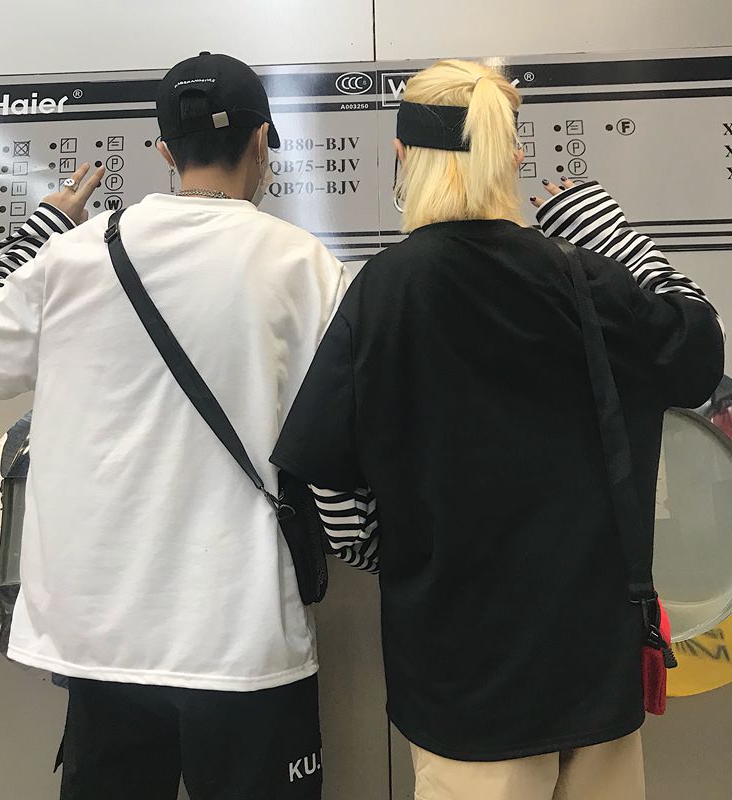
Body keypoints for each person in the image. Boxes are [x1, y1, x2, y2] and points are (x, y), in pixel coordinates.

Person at [271, 59, 725, 800]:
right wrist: (606, 234)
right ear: (511, 157)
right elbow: (699, 350)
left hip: (461, 680)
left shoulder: (386, 291)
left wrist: (406, 556)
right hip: (594, 668)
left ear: (402, 156)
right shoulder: (585, 281)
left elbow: (331, 486)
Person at [0, 53, 346, 800]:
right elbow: (343, 436)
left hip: (101, 639)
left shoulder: (73, 256)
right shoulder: (305, 265)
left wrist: (47, 225)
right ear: (262, 140)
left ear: (165, 151)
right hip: (243, 634)